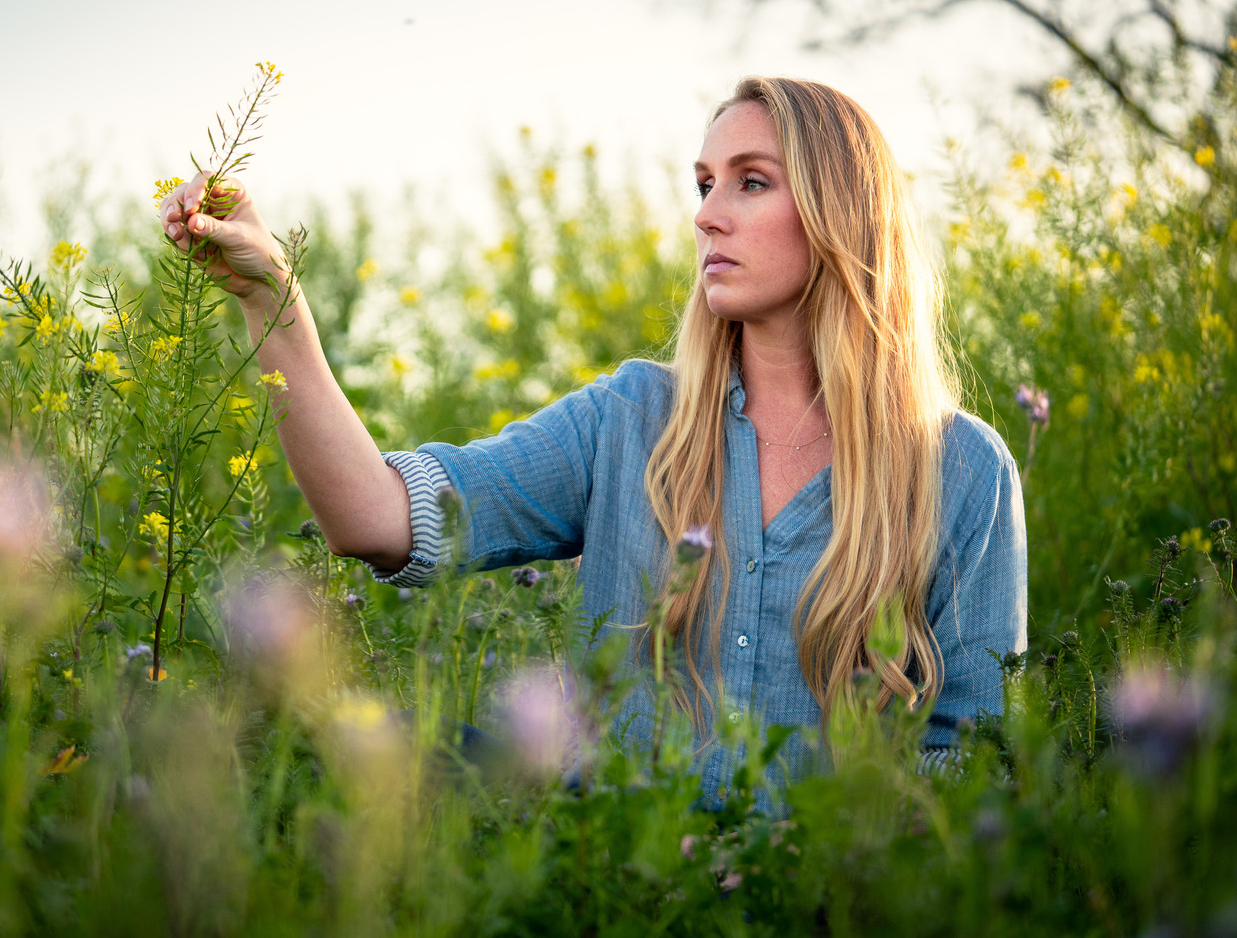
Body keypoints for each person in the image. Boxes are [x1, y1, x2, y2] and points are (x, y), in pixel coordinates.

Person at [158, 76, 1028, 808]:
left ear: (843, 213)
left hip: (818, 900)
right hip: (613, 884)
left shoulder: (961, 469)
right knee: (363, 746)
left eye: (750, 182)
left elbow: (967, 762)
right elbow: (376, 516)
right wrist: (273, 300)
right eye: (703, 185)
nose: (709, 216)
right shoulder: (631, 419)